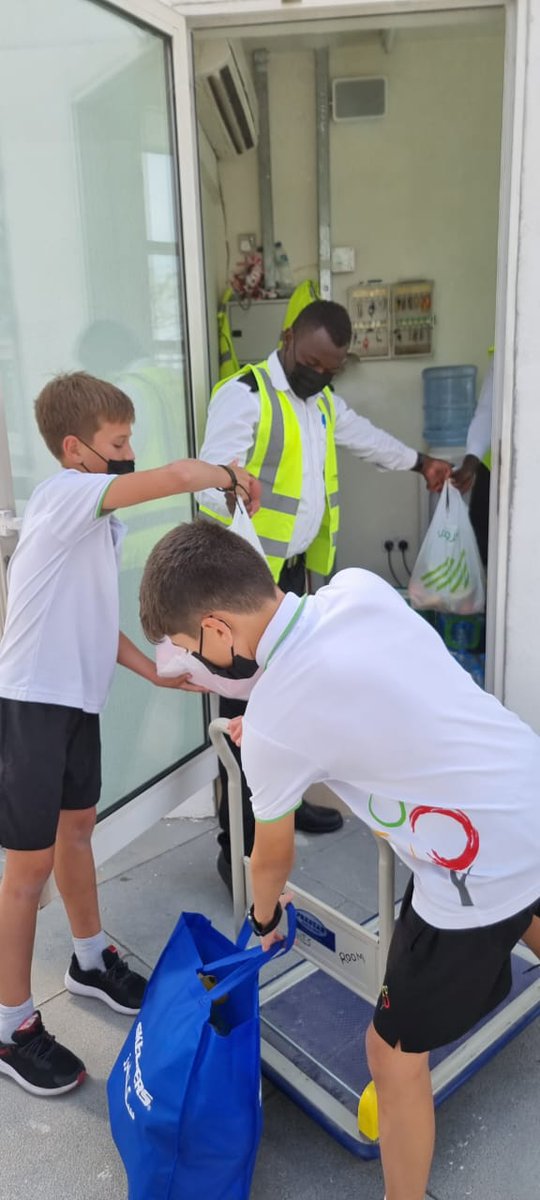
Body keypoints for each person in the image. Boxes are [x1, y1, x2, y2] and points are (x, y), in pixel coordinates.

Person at [139, 518, 540, 1200]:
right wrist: (272, 726)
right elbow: (364, 690)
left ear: (215, 630)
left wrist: (265, 918)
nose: (194, 663)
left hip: (476, 866)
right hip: (521, 782)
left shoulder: (277, 721)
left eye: (187, 649)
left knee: (391, 1054)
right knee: (524, 897)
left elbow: (271, 858)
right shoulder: (357, 589)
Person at [0, 372, 258, 1097]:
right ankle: (11, 1025)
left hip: (75, 704)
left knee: (77, 832)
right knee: (26, 871)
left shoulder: (95, 523)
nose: (128, 452)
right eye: (118, 442)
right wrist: (228, 475)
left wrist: (151, 671)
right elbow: (173, 478)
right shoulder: (63, 496)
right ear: (75, 449)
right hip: (31, 704)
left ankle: (89, 960)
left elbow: (94, 619)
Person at [196, 299, 452, 887]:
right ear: (287, 337)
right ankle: (238, 846)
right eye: (310, 363)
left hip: (290, 581)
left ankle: (288, 804)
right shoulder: (246, 394)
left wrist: (421, 464)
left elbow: (366, 439)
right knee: (243, 714)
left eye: (329, 368)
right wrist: (232, 490)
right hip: (244, 586)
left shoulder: (323, 403)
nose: (317, 374)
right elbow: (209, 482)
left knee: (291, 700)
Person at [451, 357, 494, 566]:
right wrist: (470, 462)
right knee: (484, 541)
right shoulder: (507, 350)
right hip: (493, 468)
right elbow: (488, 409)